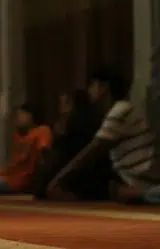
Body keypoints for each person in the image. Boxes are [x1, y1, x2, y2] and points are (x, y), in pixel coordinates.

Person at [46, 66, 160, 201]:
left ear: (103, 87)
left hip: (142, 176)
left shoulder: (121, 109)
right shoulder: (114, 111)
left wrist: (58, 180)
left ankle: (142, 194)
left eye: (92, 85)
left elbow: (94, 149)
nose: (89, 91)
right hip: (128, 176)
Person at [32, 89, 114, 200]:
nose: (61, 109)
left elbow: (71, 157)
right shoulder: (91, 120)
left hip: (82, 175)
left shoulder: (76, 124)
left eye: (64, 104)